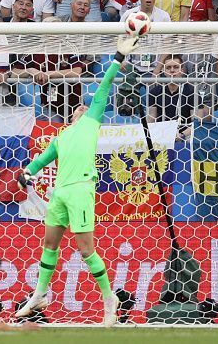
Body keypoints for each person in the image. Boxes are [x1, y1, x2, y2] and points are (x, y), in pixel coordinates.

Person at [13, 34, 140, 327]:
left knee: (85, 249)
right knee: (49, 244)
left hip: (82, 188)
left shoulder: (91, 123)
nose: (84, 108)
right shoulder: (62, 136)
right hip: (59, 193)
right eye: (79, 108)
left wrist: (118, 57)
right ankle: (40, 294)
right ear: (71, 115)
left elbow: (104, 87)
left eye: (86, 107)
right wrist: (26, 172)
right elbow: (41, 159)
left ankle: (109, 299)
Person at [147, 54, 196, 140]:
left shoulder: (192, 92)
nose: (172, 70)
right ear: (163, 71)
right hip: (161, 136)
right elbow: (151, 120)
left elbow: (197, 123)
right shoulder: (155, 92)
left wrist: (181, 135)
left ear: (182, 70)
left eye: (176, 67)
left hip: (185, 137)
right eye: (168, 68)